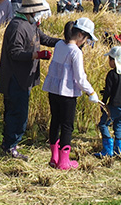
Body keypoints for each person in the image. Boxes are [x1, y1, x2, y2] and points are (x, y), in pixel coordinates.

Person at [0, 0, 60, 161]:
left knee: (15, 112)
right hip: (15, 78)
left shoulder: (31, 24)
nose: (40, 14)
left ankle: (9, 144)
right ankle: (10, 147)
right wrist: (36, 55)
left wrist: (63, 42)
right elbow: (15, 52)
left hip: (24, 77)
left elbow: (44, 38)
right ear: (31, 11)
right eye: (39, 11)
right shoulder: (17, 27)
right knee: (17, 114)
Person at [42, 18, 101, 169]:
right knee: (67, 126)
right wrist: (91, 92)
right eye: (87, 38)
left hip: (53, 90)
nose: (86, 42)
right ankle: (64, 162)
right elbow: (80, 78)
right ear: (81, 35)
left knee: (55, 122)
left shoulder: (60, 44)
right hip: (67, 93)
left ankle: (54, 158)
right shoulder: (76, 52)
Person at [95, 46, 121, 158]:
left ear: (114, 60)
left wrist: (103, 104)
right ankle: (118, 150)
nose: (109, 62)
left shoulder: (112, 74)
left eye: (110, 59)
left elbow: (108, 91)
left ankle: (108, 149)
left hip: (116, 105)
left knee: (103, 124)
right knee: (118, 125)